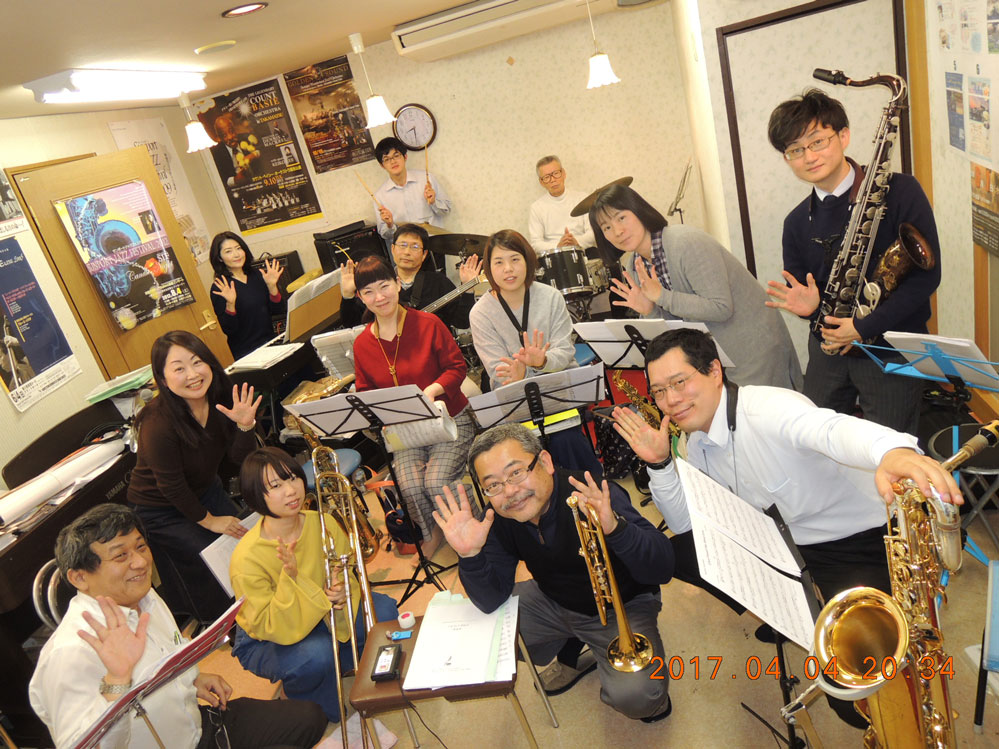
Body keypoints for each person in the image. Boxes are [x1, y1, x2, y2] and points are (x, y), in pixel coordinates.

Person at [611, 328, 960, 726]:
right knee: (679, 553)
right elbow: (685, 524)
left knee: (852, 691)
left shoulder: (769, 409)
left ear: (714, 371)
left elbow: (832, 429)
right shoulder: (697, 442)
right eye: (659, 391)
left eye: (679, 382)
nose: (670, 400)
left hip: (857, 540)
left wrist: (892, 451)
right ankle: (788, 612)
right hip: (784, 541)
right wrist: (660, 464)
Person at [29, 504, 327, 749]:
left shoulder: (143, 596)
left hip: (200, 727)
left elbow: (170, 649)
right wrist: (117, 680)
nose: (140, 562)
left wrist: (193, 678)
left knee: (311, 718)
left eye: (141, 547)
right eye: (121, 555)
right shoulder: (69, 652)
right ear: (80, 577)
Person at [432, 423, 673, 722]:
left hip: (623, 604)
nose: (510, 491)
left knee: (640, 697)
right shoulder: (500, 516)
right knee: (485, 637)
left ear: (545, 461)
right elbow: (490, 600)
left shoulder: (592, 493)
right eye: (493, 485)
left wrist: (616, 530)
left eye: (516, 472)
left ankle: (589, 645)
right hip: (553, 599)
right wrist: (470, 556)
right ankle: (577, 643)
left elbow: (663, 567)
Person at [765, 89, 941, 434]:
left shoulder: (901, 191)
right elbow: (803, 292)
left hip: (891, 349)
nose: (809, 156)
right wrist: (812, 310)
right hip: (829, 347)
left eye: (817, 141)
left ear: (843, 135)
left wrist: (863, 327)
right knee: (816, 439)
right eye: (795, 150)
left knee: (891, 447)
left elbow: (926, 278)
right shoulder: (796, 222)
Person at [229, 447, 399, 723]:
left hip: (324, 611)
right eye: (276, 486)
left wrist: (343, 589)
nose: (291, 490)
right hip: (268, 635)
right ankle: (304, 692)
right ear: (256, 496)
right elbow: (269, 624)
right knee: (316, 655)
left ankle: (331, 667)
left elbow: (347, 570)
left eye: (292, 478)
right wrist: (292, 579)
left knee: (385, 613)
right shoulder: (246, 558)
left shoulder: (323, 522)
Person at [589, 184, 802, 390]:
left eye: (621, 218)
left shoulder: (685, 242)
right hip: (714, 359)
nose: (617, 231)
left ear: (638, 210)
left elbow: (720, 308)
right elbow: (676, 330)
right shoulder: (635, 266)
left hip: (753, 348)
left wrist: (662, 296)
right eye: (606, 227)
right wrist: (649, 310)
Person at [127, 330, 261, 622]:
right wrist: (211, 521)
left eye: (197, 362)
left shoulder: (220, 398)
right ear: (163, 380)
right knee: (213, 556)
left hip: (204, 489)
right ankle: (227, 623)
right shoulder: (157, 423)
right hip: (159, 509)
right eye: (179, 369)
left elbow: (238, 459)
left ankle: (261, 604)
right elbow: (171, 487)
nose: (192, 375)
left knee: (247, 540)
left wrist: (245, 426)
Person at [351, 255, 475, 558]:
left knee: (437, 481)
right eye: (369, 292)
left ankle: (469, 527)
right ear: (360, 297)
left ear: (397, 283)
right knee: (408, 484)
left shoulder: (428, 323)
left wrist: (432, 390)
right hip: (406, 432)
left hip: (449, 420)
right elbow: (366, 391)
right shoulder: (362, 344)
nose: (379, 297)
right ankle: (430, 532)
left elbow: (457, 367)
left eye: (384, 286)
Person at [468, 229, 601, 475]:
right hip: (514, 402)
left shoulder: (550, 297)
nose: (508, 269)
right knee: (525, 456)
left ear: (528, 261)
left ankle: (591, 492)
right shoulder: (480, 313)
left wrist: (542, 361)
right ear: (489, 268)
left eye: (515, 259)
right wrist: (518, 376)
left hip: (558, 392)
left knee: (567, 442)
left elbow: (565, 351)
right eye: (499, 262)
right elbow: (498, 371)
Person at [339, 223, 482, 331]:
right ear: (393, 249)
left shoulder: (438, 282)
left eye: (415, 247)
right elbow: (353, 325)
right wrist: (347, 296)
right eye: (403, 245)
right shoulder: (378, 282)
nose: (407, 252)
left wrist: (468, 288)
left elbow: (462, 322)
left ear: (424, 254)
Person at [208, 231, 286, 360]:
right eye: (228, 251)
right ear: (220, 258)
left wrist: (272, 287)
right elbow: (229, 329)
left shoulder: (256, 275)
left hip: (270, 343)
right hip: (246, 353)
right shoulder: (221, 286)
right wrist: (230, 304)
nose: (236, 254)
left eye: (238, 248)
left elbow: (278, 310)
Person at [372, 137, 452, 243]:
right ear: (382, 165)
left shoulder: (427, 179)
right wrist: (389, 225)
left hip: (434, 243)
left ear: (405, 156)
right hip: (407, 249)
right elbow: (384, 234)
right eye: (387, 159)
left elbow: (446, 210)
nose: (393, 161)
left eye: (396, 155)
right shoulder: (380, 196)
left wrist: (434, 202)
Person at [527, 156, 596, 254]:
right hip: (554, 255)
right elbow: (535, 243)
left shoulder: (582, 198)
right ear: (541, 182)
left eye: (556, 173)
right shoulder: (536, 207)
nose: (553, 180)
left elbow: (593, 232)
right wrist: (558, 246)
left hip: (583, 251)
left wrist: (576, 242)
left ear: (563, 173)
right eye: (547, 177)